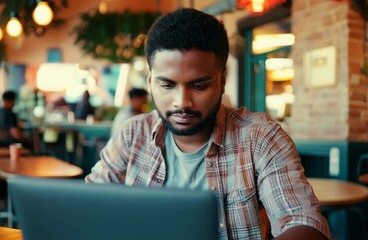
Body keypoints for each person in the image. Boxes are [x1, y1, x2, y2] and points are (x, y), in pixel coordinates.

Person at [86, 8, 331, 240]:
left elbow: (303, 222)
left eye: (199, 85)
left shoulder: (259, 137)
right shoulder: (132, 134)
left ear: (222, 81)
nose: (182, 102)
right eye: (167, 85)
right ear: (150, 82)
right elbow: (88, 207)